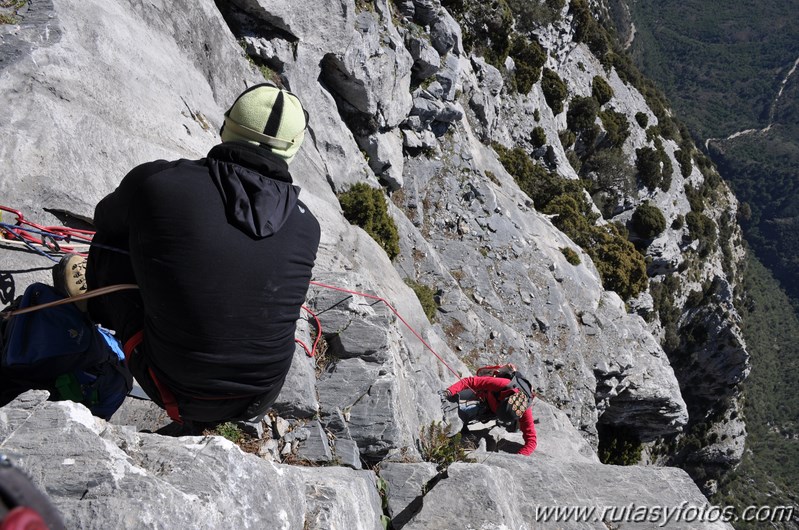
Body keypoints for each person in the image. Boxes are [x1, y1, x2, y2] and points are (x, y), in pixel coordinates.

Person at [76, 83, 321, 428]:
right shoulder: (308, 225)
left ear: (226, 127)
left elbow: (106, 220)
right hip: (259, 397)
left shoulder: (160, 181)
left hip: (173, 388)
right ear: (292, 151)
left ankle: (95, 311)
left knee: (110, 246)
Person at [442, 375, 537, 455]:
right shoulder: (503, 384)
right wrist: (449, 391)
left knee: (467, 414)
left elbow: (532, 441)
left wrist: (518, 457)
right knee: (461, 403)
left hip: (490, 411)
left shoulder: (525, 411)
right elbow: (471, 381)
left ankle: (513, 426)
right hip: (484, 397)